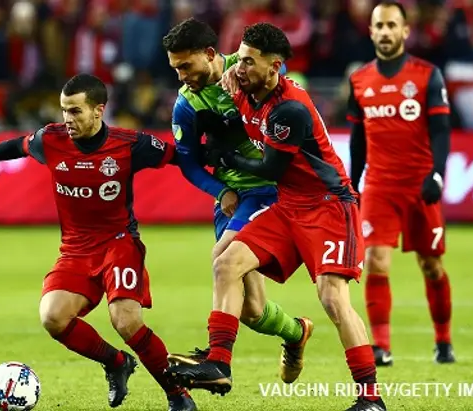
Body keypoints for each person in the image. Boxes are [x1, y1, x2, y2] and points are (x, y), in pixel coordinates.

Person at [166, 23, 387, 411]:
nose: (240, 66)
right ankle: (219, 362)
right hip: (288, 205)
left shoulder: (289, 109)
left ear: (275, 67)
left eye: (249, 62)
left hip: (328, 205)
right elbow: (223, 91)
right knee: (226, 264)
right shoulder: (242, 85)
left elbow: (270, 168)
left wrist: (224, 156)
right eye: (240, 58)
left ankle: (370, 398)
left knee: (333, 298)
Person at [0, 74, 197, 411]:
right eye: (64, 110)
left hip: (119, 243)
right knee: (52, 317)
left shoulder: (130, 144)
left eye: (75, 111)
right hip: (75, 250)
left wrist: (224, 176)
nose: (68, 119)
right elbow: (16, 146)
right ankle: (116, 363)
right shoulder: (51, 140)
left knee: (126, 321)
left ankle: (177, 395)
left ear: (99, 110)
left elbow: (180, 157)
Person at [161, 17, 313, 384]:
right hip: (232, 199)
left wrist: (241, 84)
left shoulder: (243, 68)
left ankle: (217, 360)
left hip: (268, 190)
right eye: (175, 68)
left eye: (186, 65)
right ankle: (296, 332)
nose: (181, 76)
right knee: (252, 310)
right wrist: (221, 192)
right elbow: (188, 164)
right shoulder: (187, 105)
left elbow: (280, 72)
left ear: (211, 54)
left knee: (222, 259)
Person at [347, 1, 454, 367]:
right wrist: (354, 181)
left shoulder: (427, 75)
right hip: (379, 185)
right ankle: (380, 346)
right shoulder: (359, 80)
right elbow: (358, 138)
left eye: (393, 24)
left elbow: (441, 130)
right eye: (380, 25)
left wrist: (438, 173)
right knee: (376, 261)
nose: (386, 31)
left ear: (405, 31)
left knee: (431, 265)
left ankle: (443, 340)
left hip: (420, 184)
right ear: (372, 30)